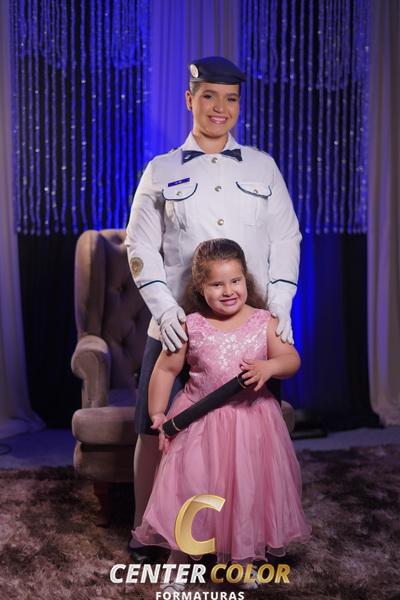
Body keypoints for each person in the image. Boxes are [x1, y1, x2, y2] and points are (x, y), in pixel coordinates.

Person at [125, 56, 302, 559]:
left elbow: (286, 237)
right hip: (176, 325)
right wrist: (164, 311)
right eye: (209, 96)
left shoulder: (263, 166)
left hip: (249, 325)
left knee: (256, 434)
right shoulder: (161, 170)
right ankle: (148, 529)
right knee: (152, 429)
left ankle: (253, 531)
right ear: (190, 99)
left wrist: (281, 305)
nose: (220, 108)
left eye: (230, 98)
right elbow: (140, 245)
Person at [131, 239, 311, 592]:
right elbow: (165, 370)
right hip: (198, 423)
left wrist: (269, 366)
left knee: (247, 492)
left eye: (235, 281)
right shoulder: (191, 325)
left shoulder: (264, 321)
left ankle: (242, 562)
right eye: (217, 284)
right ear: (200, 287)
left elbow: (291, 360)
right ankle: (179, 563)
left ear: (246, 279)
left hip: (251, 423)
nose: (228, 291)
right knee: (191, 492)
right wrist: (157, 412)